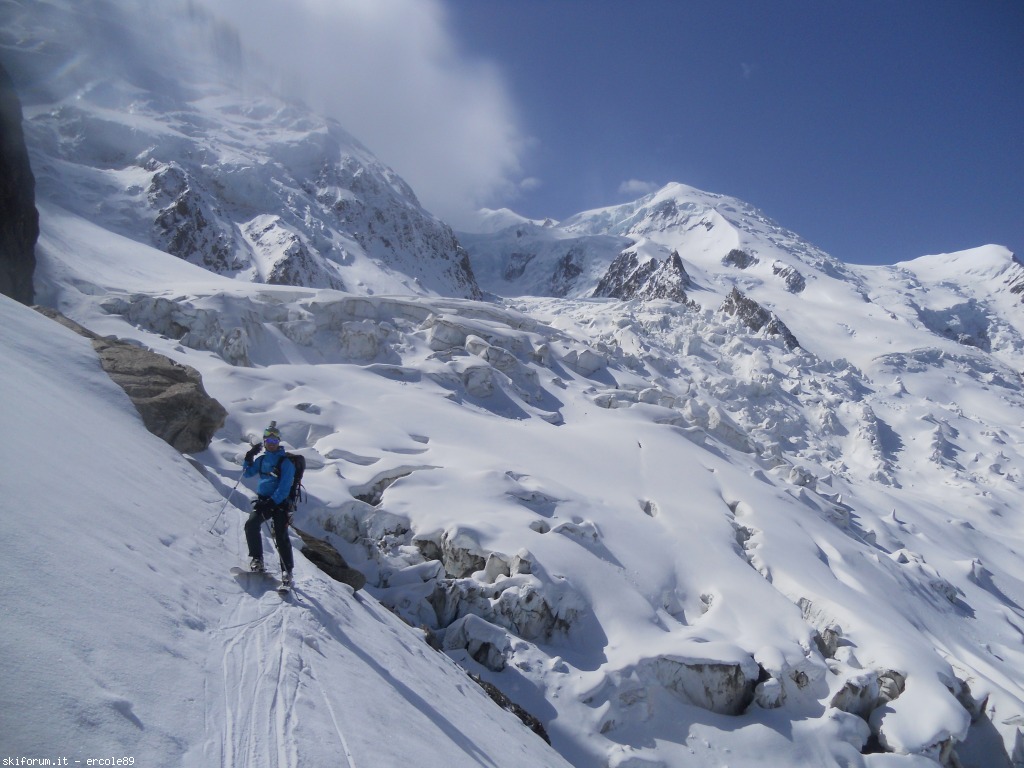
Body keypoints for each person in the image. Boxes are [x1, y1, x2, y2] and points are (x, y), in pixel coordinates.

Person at [243, 422, 296, 586]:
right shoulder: (262, 460)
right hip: (264, 501)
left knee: (281, 536)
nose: (271, 445)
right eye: (269, 442)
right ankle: (257, 559)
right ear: (265, 443)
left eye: (274, 442)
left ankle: (287, 572)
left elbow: (284, 488)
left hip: (279, 504)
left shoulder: (286, 463)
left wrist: (271, 503)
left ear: (278, 442)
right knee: (251, 524)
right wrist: (248, 457)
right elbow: (247, 473)